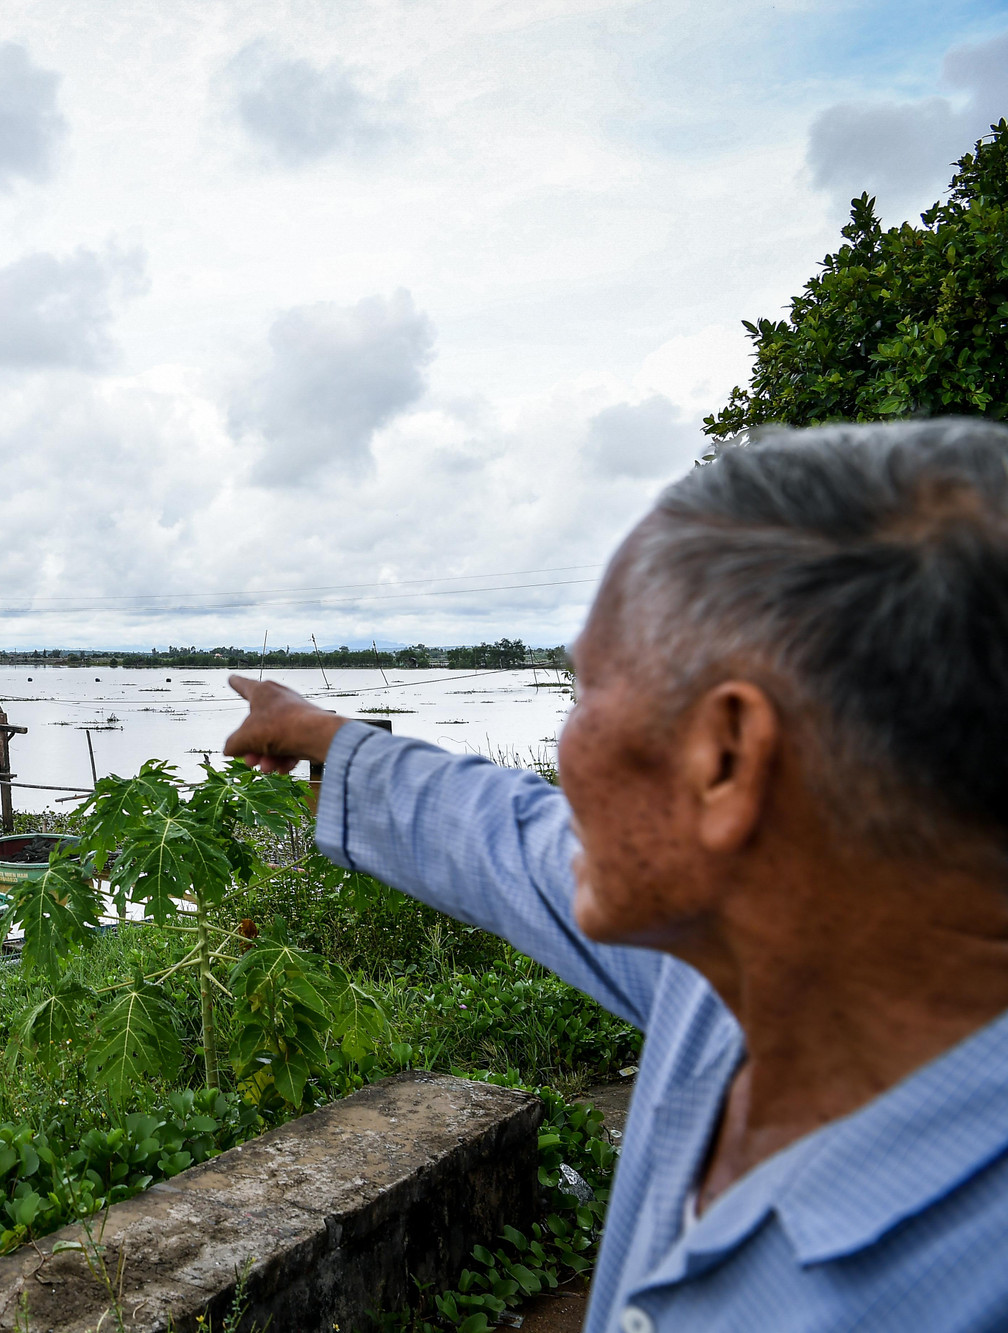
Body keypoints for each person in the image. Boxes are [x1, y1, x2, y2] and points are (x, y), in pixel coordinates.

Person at [223, 420, 1008, 1333]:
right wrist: (327, 739)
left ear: (725, 756)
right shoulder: (729, 971)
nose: (563, 753)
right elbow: (507, 839)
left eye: (587, 688)